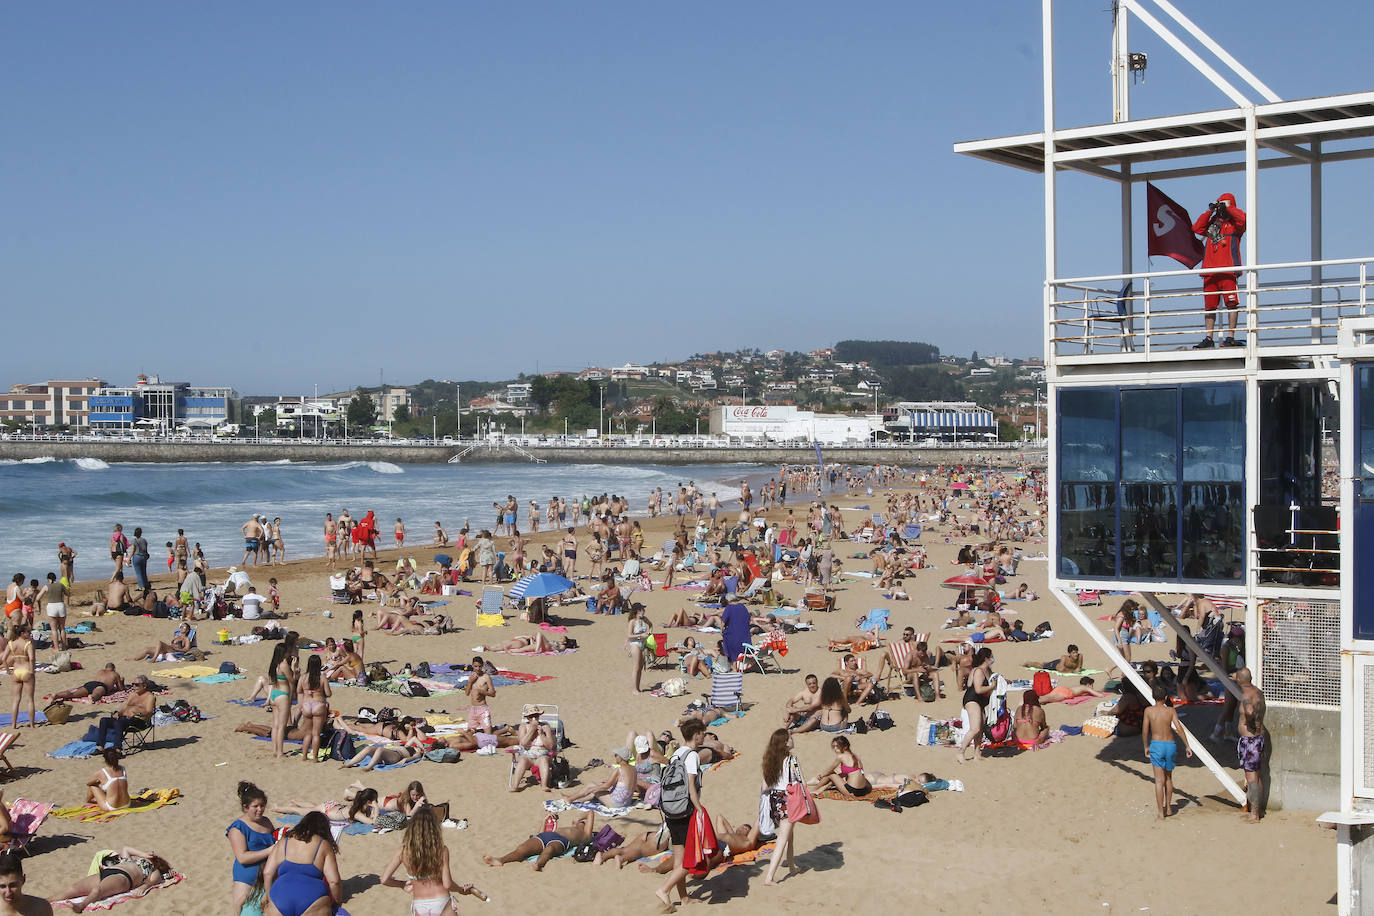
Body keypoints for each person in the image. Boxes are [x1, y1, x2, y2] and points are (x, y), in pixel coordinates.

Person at [381, 806, 485, 913]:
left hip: (419, 904)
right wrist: (461, 889)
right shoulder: (441, 850)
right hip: (442, 901)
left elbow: (384, 880)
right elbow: (447, 884)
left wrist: (402, 884)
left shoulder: (403, 851)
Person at [655, 719, 706, 910]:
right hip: (685, 810)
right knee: (689, 859)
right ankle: (665, 889)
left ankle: (684, 898)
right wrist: (698, 807)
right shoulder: (692, 756)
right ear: (696, 735)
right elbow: (691, 785)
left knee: (679, 858)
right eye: (702, 733)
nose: (704, 736)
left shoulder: (677, 754)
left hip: (670, 809)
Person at [1191, 192, 1247, 349]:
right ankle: (1209, 338)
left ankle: (1231, 336)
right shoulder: (1212, 223)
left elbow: (1243, 219)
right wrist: (1210, 210)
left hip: (1228, 271)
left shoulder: (1236, 224)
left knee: (1231, 304)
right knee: (1210, 306)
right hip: (1210, 271)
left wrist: (1230, 208)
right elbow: (1197, 227)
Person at [262, 811, 343, 916]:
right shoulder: (324, 845)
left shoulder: (284, 841)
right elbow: (334, 882)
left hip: (280, 895)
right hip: (313, 898)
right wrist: (336, 903)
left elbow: (267, 873)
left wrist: (269, 897)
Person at [49, 847, 171, 914]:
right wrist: (143, 854)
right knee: (74, 888)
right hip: (107, 872)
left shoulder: (152, 869)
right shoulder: (130, 860)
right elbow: (126, 849)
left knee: (98, 890)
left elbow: (154, 880)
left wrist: (143, 887)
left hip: (123, 877)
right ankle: (47, 900)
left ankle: (81, 905)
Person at [482, 810, 595, 872]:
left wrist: (579, 818)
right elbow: (538, 834)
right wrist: (544, 821)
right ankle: (500, 860)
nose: (577, 823)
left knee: (549, 850)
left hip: (562, 841)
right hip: (546, 835)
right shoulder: (569, 827)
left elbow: (590, 812)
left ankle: (538, 864)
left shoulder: (586, 835)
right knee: (522, 848)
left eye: (582, 823)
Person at [1142, 682, 1193, 818]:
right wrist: (1187, 745)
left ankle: (1160, 812)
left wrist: (1146, 746)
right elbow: (1179, 729)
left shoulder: (1148, 711)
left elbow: (1145, 731)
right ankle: (1169, 807)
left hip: (1157, 745)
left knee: (1159, 781)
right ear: (1165, 697)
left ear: (1153, 697)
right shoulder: (1170, 711)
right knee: (1168, 778)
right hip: (1170, 744)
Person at [761, 729, 802, 886]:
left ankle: (791, 867)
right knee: (783, 838)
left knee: (789, 835)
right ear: (785, 743)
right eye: (790, 738)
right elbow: (800, 782)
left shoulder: (770, 760)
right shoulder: (792, 760)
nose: (792, 740)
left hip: (775, 799)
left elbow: (765, 786)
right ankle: (769, 877)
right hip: (788, 799)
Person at [227, 781, 276, 909]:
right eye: (255, 806)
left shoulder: (266, 822)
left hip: (268, 873)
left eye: (262, 806)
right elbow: (242, 857)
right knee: (240, 906)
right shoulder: (238, 828)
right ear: (245, 808)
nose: (260, 810)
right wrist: (269, 851)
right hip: (247, 875)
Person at [1235, 668, 1267, 823]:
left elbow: (1249, 711)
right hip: (1259, 737)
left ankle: (1254, 814)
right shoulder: (1259, 693)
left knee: (1251, 776)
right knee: (1256, 774)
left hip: (1250, 740)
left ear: (1239, 680)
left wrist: (1250, 722)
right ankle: (1257, 810)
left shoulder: (1246, 696)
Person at [564, 746, 637, 809]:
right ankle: (578, 799)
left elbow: (607, 786)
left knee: (591, 785)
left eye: (616, 755)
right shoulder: (634, 769)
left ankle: (570, 799)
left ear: (621, 758)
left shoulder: (619, 770)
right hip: (626, 802)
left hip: (617, 804)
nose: (615, 757)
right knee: (597, 788)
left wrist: (591, 789)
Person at [956, 647, 995, 764]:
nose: (993, 659)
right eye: (991, 656)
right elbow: (977, 689)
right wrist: (992, 687)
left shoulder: (987, 670)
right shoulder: (979, 671)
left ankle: (977, 753)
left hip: (981, 701)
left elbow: (969, 683)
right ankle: (960, 752)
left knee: (981, 728)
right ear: (987, 659)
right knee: (975, 728)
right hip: (972, 699)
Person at [509, 704, 557, 792]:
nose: (534, 718)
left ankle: (544, 785)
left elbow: (550, 746)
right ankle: (515, 786)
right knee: (522, 760)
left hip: (541, 755)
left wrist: (541, 734)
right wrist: (531, 730)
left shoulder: (545, 727)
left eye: (536, 716)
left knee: (543, 760)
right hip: (527, 755)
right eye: (531, 717)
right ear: (528, 718)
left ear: (539, 716)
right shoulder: (523, 727)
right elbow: (523, 743)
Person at [807, 735, 872, 797]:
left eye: (837, 746)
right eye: (834, 746)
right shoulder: (855, 756)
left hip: (852, 791)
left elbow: (829, 770)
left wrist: (820, 776)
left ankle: (813, 789)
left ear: (845, 747)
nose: (835, 749)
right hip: (863, 790)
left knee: (831, 774)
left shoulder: (841, 756)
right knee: (839, 774)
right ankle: (822, 787)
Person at [297, 655, 331, 763]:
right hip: (318, 704)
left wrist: (300, 704)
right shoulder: (322, 677)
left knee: (308, 733)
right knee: (316, 733)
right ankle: (315, 757)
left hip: (307, 705)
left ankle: (304, 756)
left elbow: (299, 691)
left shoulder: (303, 677)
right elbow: (328, 693)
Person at [267, 643, 296, 759]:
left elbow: (271, 681)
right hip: (283, 695)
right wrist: (294, 667)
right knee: (281, 726)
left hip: (274, 694)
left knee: (275, 725)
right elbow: (292, 680)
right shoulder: (284, 665)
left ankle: (275, 750)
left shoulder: (274, 664)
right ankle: (280, 752)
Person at [48, 663, 124, 706]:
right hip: (101, 686)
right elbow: (121, 689)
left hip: (90, 684)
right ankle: (92, 697)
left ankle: (56, 695)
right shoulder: (115, 674)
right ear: (114, 669)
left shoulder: (100, 671)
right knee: (97, 694)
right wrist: (122, 681)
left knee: (73, 694)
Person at [84, 748, 130, 812]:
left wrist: (97, 782)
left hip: (111, 807)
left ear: (105, 759)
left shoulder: (102, 772)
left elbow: (88, 784)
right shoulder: (122, 769)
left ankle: (88, 801)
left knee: (93, 786)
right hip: (126, 804)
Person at [7, 624, 35, 729]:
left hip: (16, 671)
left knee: (16, 700)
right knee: (30, 699)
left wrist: (8, 670)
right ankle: (32, 725)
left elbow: (5, 658)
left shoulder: (11, 643)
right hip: (26, 670)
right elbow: (31, 658)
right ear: (22, 633)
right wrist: (32, 670)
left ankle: (13, 724)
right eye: (28, 632)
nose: (30, 634)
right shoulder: (28, 644)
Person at [125, 622, 194, 661]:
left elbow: (187, 649)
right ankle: (135, 658)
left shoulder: (186, 639)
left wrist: (178, 649)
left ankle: (154, 658)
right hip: (168, 648)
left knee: (159, 642)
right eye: (181, 627)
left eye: (184, 627)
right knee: (147, 649)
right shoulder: (176, 636)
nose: (182, 628)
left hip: (174, 650)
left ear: (187, 630)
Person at [465, 655, 495, 734]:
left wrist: (482, 692)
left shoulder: (486, 677)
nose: (478, 668)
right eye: (475, 666)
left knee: (488, 735)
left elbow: (493, 693)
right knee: (469, 734)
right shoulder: (471, 676)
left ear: (482, 666)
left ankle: (505, 729)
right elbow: (467, 693)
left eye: (480, 666)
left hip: (483, 709)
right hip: (473, 709)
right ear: (472, 665)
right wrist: (470, 682)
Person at [39, 572, 70, 651]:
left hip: (52, 606)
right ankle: (63, 646)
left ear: (48, 579)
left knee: (54, 629)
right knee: (62, 628)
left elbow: (38, 597)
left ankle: (56, 648)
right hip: (60, 606)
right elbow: (68, 594)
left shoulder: (46, 586)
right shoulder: (60, 585)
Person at [626, 604, 652, 693]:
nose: (644, 611)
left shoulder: (644, 619)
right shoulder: (632, 622)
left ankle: (638, 687)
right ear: (638, 611)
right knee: (636, 667)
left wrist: (649, 634)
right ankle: (634, 689)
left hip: (643, 644)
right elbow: (629, 635)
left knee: (641, 667)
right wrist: (641, 635)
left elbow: (651, 625)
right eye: (642, 609)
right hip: (635, 644)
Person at [721, 602, 751, 667]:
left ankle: (734, 664)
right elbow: (748, 619)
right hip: (745, 636)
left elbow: (723, 622)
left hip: (733, 636)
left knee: (726, 638)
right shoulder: (743, 607)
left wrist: (721, 631)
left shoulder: (729, 608)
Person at [1040, 676, 1109, 703]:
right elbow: (1099, 695)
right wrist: (1102, 694)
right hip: (1067, 693)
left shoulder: (1080, 687)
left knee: (1047, 697)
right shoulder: (1086, 687)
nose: (1092, 687)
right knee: (1049, 699)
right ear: (1088, 684)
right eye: (1092, 685)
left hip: (1061, 688)